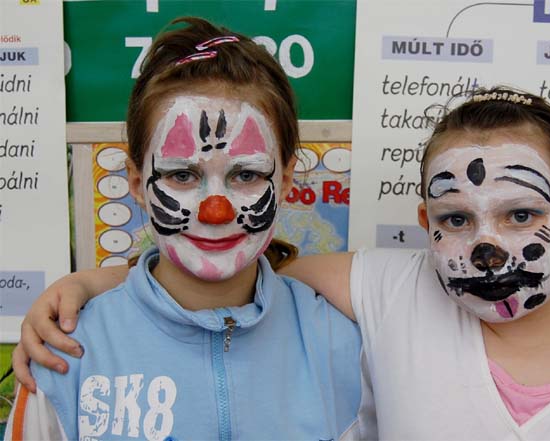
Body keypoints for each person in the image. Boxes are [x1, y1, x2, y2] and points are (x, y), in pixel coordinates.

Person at [9, 87, 550, 437]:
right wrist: (96, 284)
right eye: (456, 220)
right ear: (426, 226)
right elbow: (234, 268)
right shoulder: (394, 290)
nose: (489, 248)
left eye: (520, 215)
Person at [5, 17, 362, 441]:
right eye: (182, 175)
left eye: (246, 175)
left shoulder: (342, 349)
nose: (216, 211)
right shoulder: (67, 354)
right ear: (136, 182)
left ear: (284, 181)